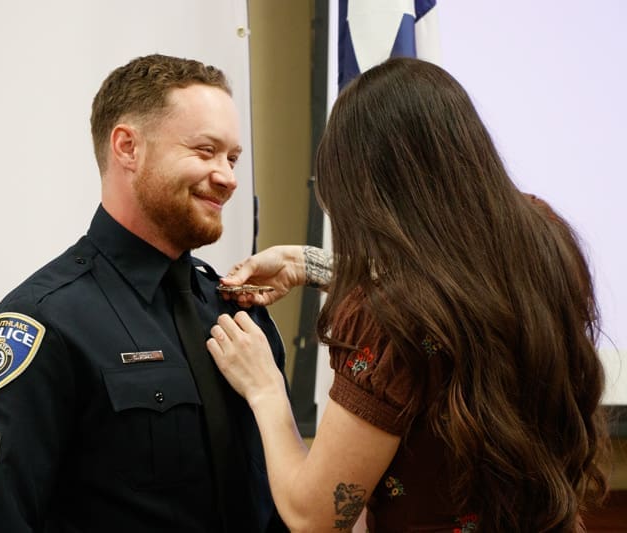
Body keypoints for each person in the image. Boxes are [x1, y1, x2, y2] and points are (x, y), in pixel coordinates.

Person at [207, 57, 611, 532]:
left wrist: (265, 388)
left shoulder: (386, 318)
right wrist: (308, 263)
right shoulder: (543, 237)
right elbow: (458, 286)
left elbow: (315, 516)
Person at [0, 53, 288, 532]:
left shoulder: (235, 308)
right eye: (205, 151)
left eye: (232, 158)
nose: (228, 177)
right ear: (128, 147)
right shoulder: (44, 325)